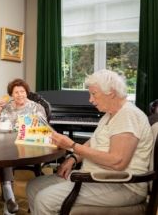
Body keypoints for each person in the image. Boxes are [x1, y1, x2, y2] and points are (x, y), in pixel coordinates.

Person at [26, 69, 154, 215]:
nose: (90, 100)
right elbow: (94, 141)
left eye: (94, 94)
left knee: (44, 199)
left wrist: (72, 145)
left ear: (111, 92)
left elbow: (118, 162)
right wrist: (73, 158)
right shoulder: (110, 114)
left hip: (121, 185)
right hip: (96, 177)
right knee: (33, 186)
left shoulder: (128, 115)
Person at [0, 78, 46, 214]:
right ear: (11, 95)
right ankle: (10, 198)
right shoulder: (6, 107)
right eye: (16, 92)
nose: (20, 95)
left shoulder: (36, 107)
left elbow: (43, 129)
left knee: (5, 155)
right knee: (4, 154)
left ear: (27, 93)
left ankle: (8, 196)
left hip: (27, 145)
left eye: (22, 91)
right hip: (6, 145)